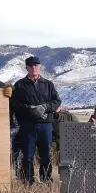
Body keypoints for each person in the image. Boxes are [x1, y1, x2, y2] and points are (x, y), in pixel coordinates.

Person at [11, 56, 62, 185]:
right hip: (28, 124)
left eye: (36, 65)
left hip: (45, 125)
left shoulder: (48, 84)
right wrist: (29, 109)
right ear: (26, 67)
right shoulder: (20, 85)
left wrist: (44, 107)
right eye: (31, 66)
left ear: (40, 67)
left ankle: (46, 180)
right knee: (27, 155)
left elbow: (57, 101)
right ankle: (28, 182)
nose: (34, 68)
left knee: (46, 155)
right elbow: (14, 104)